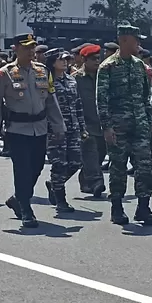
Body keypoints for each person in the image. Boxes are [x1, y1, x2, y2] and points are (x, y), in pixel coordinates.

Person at [0, 33, 66, 228]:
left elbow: (50, 100)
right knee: (22, 169)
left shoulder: (42, 71)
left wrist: (58, 125)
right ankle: (26, 208)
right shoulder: (4, 73)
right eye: (27, 48)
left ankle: (18, 198)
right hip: (17, 130)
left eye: (33, 47)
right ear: (16, 49)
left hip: (39, 129)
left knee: (37, 166)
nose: (31, 51)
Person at [97, 24, 152, 225]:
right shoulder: (107, 66)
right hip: (118, 127)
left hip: (139, 125)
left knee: (144, 167)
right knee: (118, 168)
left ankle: (143, 207)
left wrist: (149, 120)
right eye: (135, 39)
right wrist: (107, 127)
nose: (139, 43)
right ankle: (117, 207)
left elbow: (145, 96)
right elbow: (102, 100)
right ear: (123, 40)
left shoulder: (139, 65)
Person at [43, 48, 87, 213]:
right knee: (59, 164)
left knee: (76, 162)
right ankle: (60, 200)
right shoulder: (46, 81)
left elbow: (78, 105)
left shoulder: (71, 80)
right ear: (52, 62)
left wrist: (82, 127)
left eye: (66, 59)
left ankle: (54, 184)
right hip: (54, 130)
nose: (65, 62)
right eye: (61, 59)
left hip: (73, 128)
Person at [73, 44, 106, 197]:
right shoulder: (76, 79)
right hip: (85, 122)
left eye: (98, 58)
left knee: (100, 154)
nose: (97, 62)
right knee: (90, 152)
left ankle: (85, 179)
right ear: (84, 60)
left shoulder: (103, 77)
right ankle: (97, 181)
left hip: (102, 122)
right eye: (93, 59)